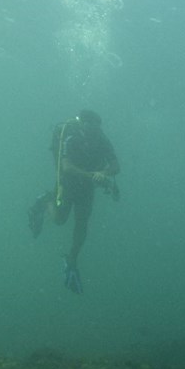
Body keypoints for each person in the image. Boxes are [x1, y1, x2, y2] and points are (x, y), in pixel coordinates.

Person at [28, 109, 120, 294]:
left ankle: (72, 261)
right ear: (82, 124)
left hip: (87, 187)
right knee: (59, 220)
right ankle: (46, 201)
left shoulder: (102, 139)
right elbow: (66, 166)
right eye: (88, 125)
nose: (92, 129)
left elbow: (116, 165)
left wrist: (103, 174)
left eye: (95, 126)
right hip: (68, 184)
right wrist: (92, 176)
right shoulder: (70, 136)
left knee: (82, 223)